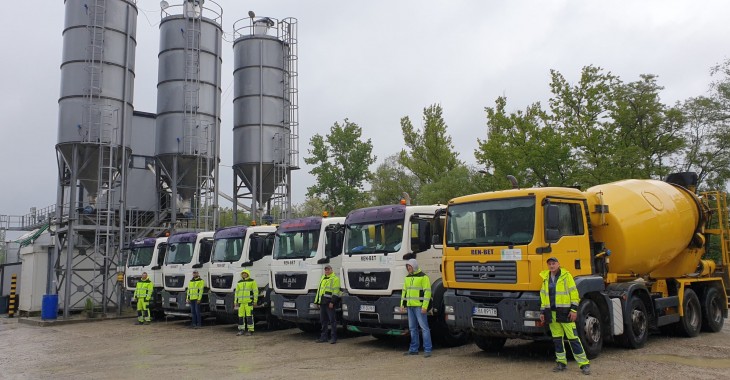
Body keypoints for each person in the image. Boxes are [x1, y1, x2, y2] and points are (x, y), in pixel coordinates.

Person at [539, 257, 591, 375]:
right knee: (557, 340)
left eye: (553, 263)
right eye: (549, 264)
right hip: (551, 313)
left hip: (565, 312)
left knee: (573, 339)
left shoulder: (566, 276)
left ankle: (584, 364)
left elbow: (574, 294)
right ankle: (561, 363)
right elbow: (543, 296)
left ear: (558, 264)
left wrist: (573, 310)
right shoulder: (545, 278)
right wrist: (542, 312)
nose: (551, 266)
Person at [401, 259, 432, 357]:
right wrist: (402, 304)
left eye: (409, 266)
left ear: (414, 266)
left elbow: (427, 292)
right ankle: (413, 349)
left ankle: (428, 349)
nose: (408, 268)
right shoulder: (407, 278)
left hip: (419, 307)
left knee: (424, 328)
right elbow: (404, 292)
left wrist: (424, 306)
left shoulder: (423, 277)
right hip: (410, 307)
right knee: (412, 328)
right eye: (407, 267)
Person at [314, 264, 341, 344]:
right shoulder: (323, 278)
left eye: (328, 269)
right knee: (323, 321)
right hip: (322, 303)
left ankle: (333, 338)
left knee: (332, 321)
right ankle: (324, 337)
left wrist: (332, 302)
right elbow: (319, 291)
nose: (327, 271)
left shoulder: (335, 279)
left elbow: (336, 292)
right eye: (326, 270)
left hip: (329, 303)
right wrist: (318, 302)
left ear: (331, 270)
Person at [234, 269, 258, 336]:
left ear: (248, 274)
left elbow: (255, 292)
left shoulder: (252, 281)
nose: (244, 275)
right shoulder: (239, 282)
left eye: (245, 273)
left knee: (249, 316)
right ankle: (241, 330)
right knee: (240, 317)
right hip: (241, 303)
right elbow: (236, 292)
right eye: (243, 274)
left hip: (249, 303)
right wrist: (235, 301)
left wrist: (255, 301)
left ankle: (250, 330)